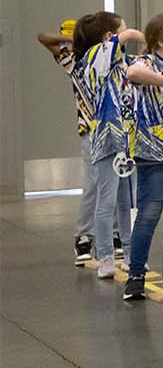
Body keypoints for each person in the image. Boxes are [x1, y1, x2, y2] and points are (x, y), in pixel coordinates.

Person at [78, 11, 139, 279]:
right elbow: (121, 39)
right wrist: (137, 34)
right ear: (108, 37)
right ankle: (104, 255)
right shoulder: (94, 59)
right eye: (120, 31)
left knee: (126, 199)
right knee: (107, 199)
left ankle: (127, 252)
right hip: (105, 139)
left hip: (126, 139)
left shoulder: (120, 63)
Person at [121, 16, 163, 302]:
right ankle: (135, 275)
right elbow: (133, 73)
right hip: (151, 150)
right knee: (149, 213)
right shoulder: (146, 63)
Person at [36, 19, 99, 265]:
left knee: (117, 184)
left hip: (112, 128)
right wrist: (75, 40)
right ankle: (84, 236)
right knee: (93, 182)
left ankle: (114, 236)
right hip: (90, 129)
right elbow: (43, 36)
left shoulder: (103, 58)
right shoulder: (72, 60)